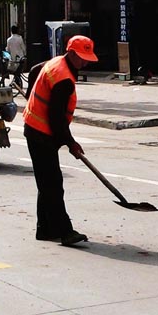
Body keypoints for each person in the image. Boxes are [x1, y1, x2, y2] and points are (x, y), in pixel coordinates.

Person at [22, 35, 99, 247]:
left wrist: (30, 94)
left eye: (87, 58)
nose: (84, 63)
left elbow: (36, 69)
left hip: (36, 129)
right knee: (53, 185)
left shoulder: (56, 62)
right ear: (71, 53)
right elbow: (56, 118)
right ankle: (65, 231)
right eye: (81, 58)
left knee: (46, 183)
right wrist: (71, 143)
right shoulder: (64, 79)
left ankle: (45, 229)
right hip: (41, 133)